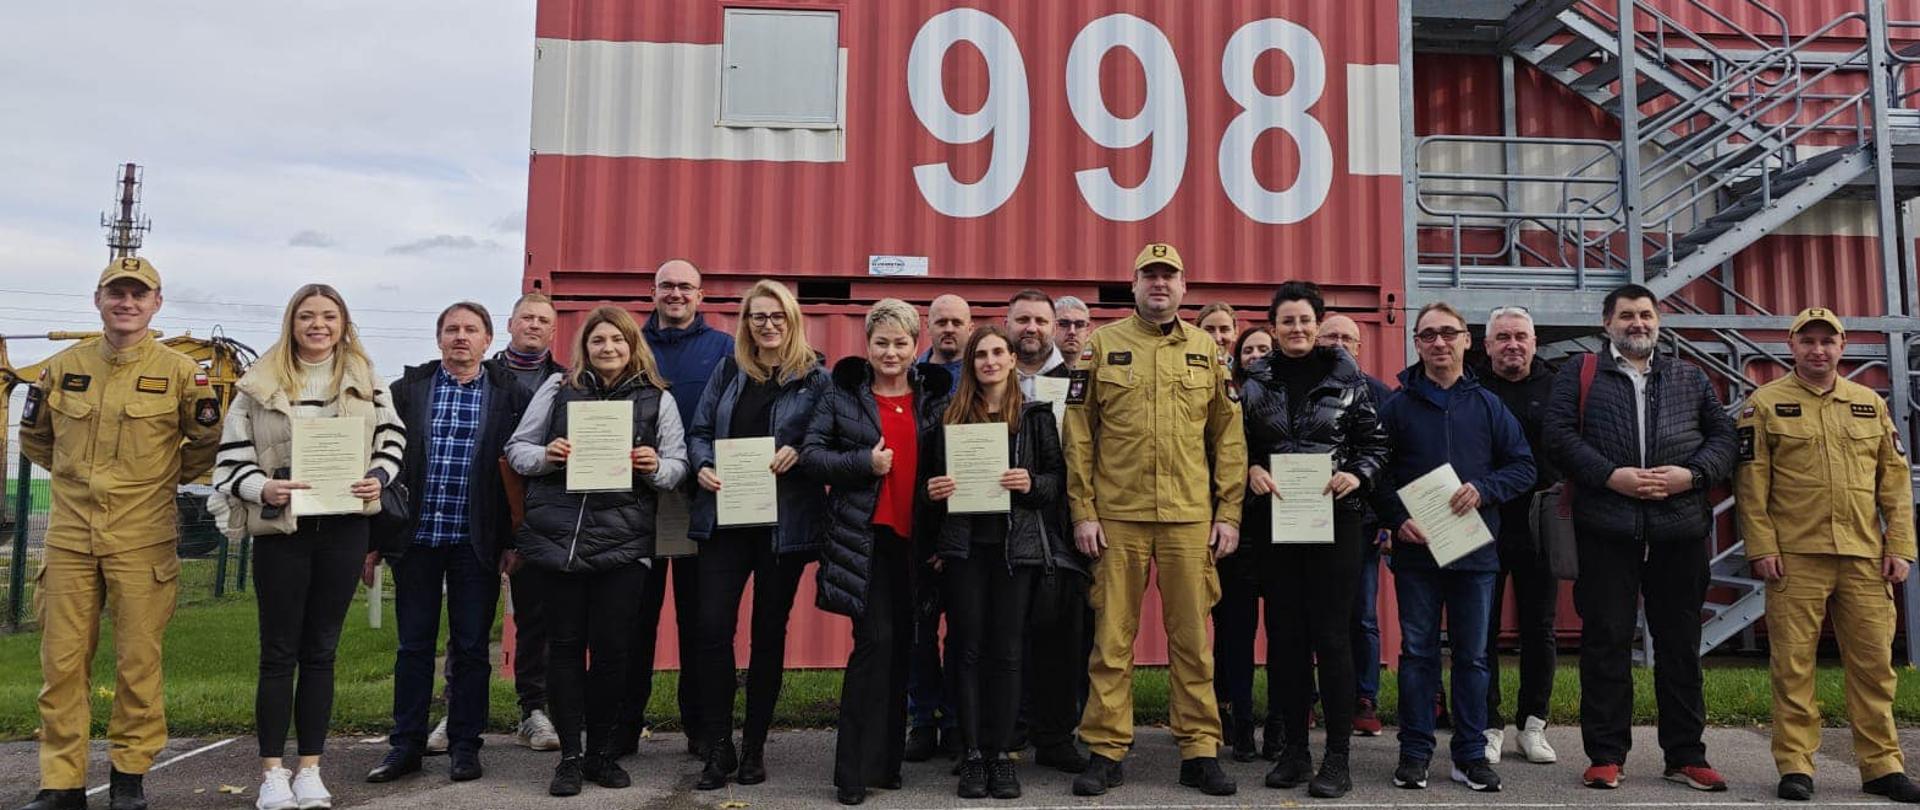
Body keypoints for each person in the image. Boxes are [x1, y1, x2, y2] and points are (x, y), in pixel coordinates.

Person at [17, 257, 220, 810]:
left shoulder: (182, 373)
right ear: (98, 300)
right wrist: (73, 477)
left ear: (157, 302)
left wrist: (151, 482)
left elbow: (203, 443)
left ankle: (129, 776)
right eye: (116, 293)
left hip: (143, 538)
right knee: (60, 666)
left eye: (138, 294)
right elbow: (36, 437)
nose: (126, 302)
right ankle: (61, 783)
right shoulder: (63, 367)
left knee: (138, 662)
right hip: (69, 538)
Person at [207, 284, 402, 809]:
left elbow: (392, 440)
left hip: (344, 528)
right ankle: (272, 773)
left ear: (344, 323)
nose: (319, 325)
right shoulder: (258, 385)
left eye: (329, 316)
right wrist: (261, 487)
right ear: (292, 323)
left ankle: (310, 769)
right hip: (283, 531)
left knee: (321, 652)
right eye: (307, 316)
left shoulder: (366, 379)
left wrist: (377, 477)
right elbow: (229, 459)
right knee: (278, 653)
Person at [1065, 242, 1245, 798]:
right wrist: (1083, 511)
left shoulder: (1208, 353)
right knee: (1112, 641)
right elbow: (1078, 436)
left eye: (1169, 277)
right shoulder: (1101, 346)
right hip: (1117, 518)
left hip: (1189, 520)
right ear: (1134, 284)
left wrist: (1229, 512)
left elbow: (1229, 438)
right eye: (1150, 276)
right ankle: (1106, 748)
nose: (1159, 285)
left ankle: (1198, 749)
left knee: (1193, 641)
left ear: (1183, 288)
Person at [1543, 284, 1737, 793]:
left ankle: (1686, 755)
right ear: (1607, 323)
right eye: (1627, 315)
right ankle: (1606, 755)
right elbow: (1558, 436)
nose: (1638, 323)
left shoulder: (1689, 376)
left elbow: (1724, 440)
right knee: (1605, 641)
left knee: (1680, 644)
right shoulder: (1579, 374)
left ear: (1658, 321)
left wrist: (1690, 477)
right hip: (1607, 528)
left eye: (1646, 315)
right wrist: (1611, 476)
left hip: (1679, 530)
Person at [1736, 307, 1920, 804]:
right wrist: (1762, 547)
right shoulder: (1765, 404)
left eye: (1828, 341)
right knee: (1793, 666)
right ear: (1791, 347)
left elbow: (1895, 481)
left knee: (1874, 667)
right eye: (1808, 341)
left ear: (1842, 348)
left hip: (1864, 556)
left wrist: (1900, 545)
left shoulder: (1868, 404)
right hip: (1795, 557)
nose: (1818, 350)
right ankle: (1796, 766)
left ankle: (1882, 767)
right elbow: (1752, 486)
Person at [505, 305, 689, 797]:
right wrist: (549, 455)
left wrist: (653, 466)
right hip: (560, 542)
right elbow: (518, 450)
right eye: (597, 341)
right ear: (584, 346)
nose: (607, 349)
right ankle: (569, 756)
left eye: (617, 341)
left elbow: (678, 466)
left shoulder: (657, 399)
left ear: (633, 346)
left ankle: (602, 753)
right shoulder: (557, 389)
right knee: (563, 649)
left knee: (612, 653)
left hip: (626, 545)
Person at [1375, 301, 1535, 794]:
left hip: (1475, 556)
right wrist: (1397, 519)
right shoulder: (1397, 407)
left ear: (1468, 340)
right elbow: (1375, 474)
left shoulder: (1489, 405)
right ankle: (1415, 752)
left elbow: (1523, 466)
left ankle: (1469, 755)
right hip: (1417, 555)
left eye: (1449, 333)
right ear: (1417, 343)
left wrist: (1485, 489)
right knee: (1419, 654)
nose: (1439, 342)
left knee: (1473, 657)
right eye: (1428, 335)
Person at [371, 302, 530, 787]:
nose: (461, 337)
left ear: (487, 341)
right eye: (452, 329)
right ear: (439, 338)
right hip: (416, 538)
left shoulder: (510, 394)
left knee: (470, 649)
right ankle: (406, 746)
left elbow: (517, 476)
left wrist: (513, 540)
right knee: (413, 647)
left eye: (471, 330)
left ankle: (465, 745)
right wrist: (375, 540)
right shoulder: (407, 391)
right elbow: (382, 462)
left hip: (476, 542)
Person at [1243, 282, 1390, 799]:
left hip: (1338, 519)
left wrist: (1359, 475)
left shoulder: (1350, 379)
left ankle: (1337, 758)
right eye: (1287, 321)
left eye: (1305, 320)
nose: (1297, 329)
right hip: (1276, 519)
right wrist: (1251, 470)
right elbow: (1233, 444)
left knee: (1331, 637)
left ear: (1319, 323)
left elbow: (1375, 444)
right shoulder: (1252, 381)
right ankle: (1294, 754)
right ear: (1274, 326)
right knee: (1284, 638)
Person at [804, 299, 949, 805]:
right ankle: (850, 772)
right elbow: (812, 456)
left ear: (915, 346)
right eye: (882, 342)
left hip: (917, 545)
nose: (891, 352)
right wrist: (863, 462)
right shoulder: (843, 396)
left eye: (901, 342)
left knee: (904, 649)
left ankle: (886, 765)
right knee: (873, 646)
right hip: (866, 542)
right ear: (868, 345)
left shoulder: (934, 399)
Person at [687, 280, 831, 790]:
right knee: (711, 631)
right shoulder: (729, 370)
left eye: (776, 316)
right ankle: (718, 746)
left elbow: (829, 439)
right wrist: (702, 465)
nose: (767, 325)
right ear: (745, 323)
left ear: (791, 320)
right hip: (724, 519)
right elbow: (699, 431)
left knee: (768, 637)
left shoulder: (816, 377)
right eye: (757, 317)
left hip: (782, 526)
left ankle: (754, 747)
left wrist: (802, 454)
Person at [921, 325, 1069, 800]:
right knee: (966, 648)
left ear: (1010, 359)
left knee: (1007, 651)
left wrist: (1030, 484)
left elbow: (1055, 483)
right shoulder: (949, 416)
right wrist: (935, 494)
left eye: (997, 352)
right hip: (965, 549)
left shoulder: (1035, 416)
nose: (989, 361)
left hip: (1015, 549)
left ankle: (1002, 754)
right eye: (980, 354)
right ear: (971, 363)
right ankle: (972, 754)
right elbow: (927, 490)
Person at [614, 260, 733, 758]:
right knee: (633, 618)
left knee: (699, 618)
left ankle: (702, 731)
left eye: (686, 286)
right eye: (667, 286)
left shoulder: (724, 348)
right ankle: (621, 728)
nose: (676, 293)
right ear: (653, 291)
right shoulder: (629, 343)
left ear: (701, 295)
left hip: (697, 499)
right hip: (633, 498)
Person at [1002, 291, 1093, 773]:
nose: (1031, 328)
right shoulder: (991, 376)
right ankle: (1008, 730)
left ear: (1054, 326)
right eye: (1022, 319)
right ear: (1007, 324)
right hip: (1006, 525)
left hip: (1065, 522)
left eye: (1041, 319)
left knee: (1063, 633)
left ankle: (1057, 736)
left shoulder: (1079, 378)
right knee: (1008, 632)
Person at [1474, 306, 1561, 766]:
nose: (1512, 345)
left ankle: (1533, 724)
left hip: (1539, 524)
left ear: (1533, 342)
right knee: (1481, 630)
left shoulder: (1558, 387)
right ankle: (1489, 724)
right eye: (1502, 337)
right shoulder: (1473, 389)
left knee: (1539, 628)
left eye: (1520, 337)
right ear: (1486, 346)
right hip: (1482, 522)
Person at [484, 291, 566, 754]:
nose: (533, 325)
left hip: (535, 514)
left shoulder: (563, 381)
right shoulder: (484, 375)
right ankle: (457, 711)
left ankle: (534, 710)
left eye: (542, 321)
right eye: (526, 318)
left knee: (537, 618)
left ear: (554, 332)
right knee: (469, 621)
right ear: (510, 323)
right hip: (479, 508)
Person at [1316, 313, 1394, 741]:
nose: (1341, 343)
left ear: (1361, 348)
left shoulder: (1380, 394)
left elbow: (1387, 461)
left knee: (1361, 615)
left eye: (1349, 337)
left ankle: (1364, 698)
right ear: (1316, 341)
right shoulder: (1303, 388)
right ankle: (1311, 699)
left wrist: (1386, 522)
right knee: (1311, 613)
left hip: (1361, 523)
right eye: (1332, 336)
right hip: (1306, 522)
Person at [905, 294, 971, 760]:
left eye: (958, 322)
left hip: (968, 532)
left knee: (966, 634)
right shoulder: (908, 379)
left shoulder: (984, 376)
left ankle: (956, 721)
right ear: (929, 327)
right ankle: (921, 720)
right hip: (916, 525)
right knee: (918, 632)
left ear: (970, 326)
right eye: (941, 321)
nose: (949, 329)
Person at [1053, 296, 1094, 369]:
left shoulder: (1098, 370)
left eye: (1079, 325)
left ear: (1088, 330)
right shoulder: (1034, 369)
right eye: (1064, 324)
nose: (1072, 331)